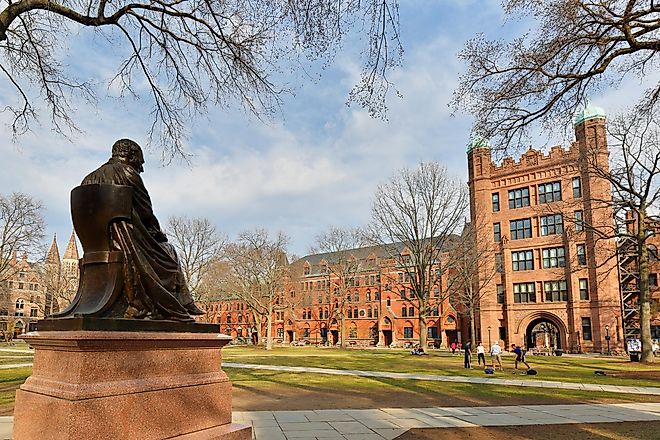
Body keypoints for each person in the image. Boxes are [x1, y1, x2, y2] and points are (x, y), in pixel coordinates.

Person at [81, 139, 204, 321]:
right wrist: (159, 234)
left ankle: (184, 303)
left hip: (95, 247)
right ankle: (179, 305)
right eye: (141, 162)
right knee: (169, 251)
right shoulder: (127, 173)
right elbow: (146, 213)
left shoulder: (88, 178)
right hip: (128, 243)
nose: (142, 168)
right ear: (131, 155)